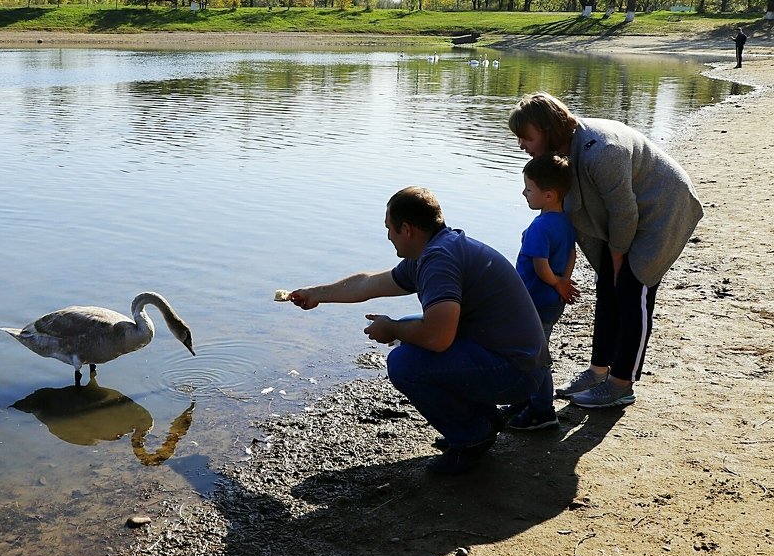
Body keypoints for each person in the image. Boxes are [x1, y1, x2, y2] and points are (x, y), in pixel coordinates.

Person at [288, 186, 547, 474]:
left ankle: (472, 438)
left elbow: (438, 339)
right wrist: (316, 294)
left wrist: (392, 329)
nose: (388, 236)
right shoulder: (436, 248)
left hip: (518, 373)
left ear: (407, 229)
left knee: (405, 362)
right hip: (517, 360)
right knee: (414, 328)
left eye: (390, 229)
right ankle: (481, 420)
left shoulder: (439, 260)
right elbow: (368, 284)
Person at [508, 92, 703, 410]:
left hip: (664, 209)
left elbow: (624, 213)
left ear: (548, 129)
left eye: (526, 137)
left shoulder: (601, 152)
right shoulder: (564, 149)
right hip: (632, 212)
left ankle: (621, 385)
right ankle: (598, 373)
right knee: (607, 288)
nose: (521, 145)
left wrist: (616, 256)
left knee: (631, 289)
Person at [505, 152, 578, 431]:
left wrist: (557, 282)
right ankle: (527, 398)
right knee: (535, 348)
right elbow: (570, 253)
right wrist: (564, 281)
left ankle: (542, 410)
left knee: (536, 355)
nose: (524, 192)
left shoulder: (540, 225)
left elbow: (539, 265)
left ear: (549, 195)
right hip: (551, 300)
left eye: (529, 188)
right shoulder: (565, 220)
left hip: (534, 299)